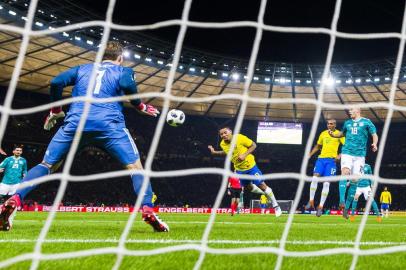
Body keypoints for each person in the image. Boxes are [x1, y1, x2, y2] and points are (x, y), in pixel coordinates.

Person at [0, 41, 168, 232]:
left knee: (47, 166)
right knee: (136, 169)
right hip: (109, 126)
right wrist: (140, 106)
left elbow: (56, 82)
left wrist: (56, 110)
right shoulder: (124, 71)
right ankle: (147, 208)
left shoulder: (82, 69)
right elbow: (126, 84)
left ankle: (15, 198)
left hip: (75, 124)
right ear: (120, 58)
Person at [208, 127, 282, 217]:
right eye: (221, 134)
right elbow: (226, 152)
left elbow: (253, 145)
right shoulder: (222, 144)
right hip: (239, 170)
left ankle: (276, 206)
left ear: (230, 132)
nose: (223, 135)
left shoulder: (239, 137)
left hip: (251, 166)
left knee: (262, 185)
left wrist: (244, 154)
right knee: (248, 188)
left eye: (225, 132)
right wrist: (214, 152)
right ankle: (265, 193)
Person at [328, 107, 378, 210]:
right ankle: (342, 200)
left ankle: (347, 207)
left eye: (352, 110)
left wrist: (375, 143)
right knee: (345, 172)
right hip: (347, 152)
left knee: (355, 180)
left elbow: (374, 134)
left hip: (360, 155)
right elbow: (342, 133)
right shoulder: (347, 123)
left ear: (358, 110)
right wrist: (334, 135)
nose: (350, 112)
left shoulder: (367, 122)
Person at [307, 119, 345, 217]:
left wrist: (339, 155)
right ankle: (311, 201)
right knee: (314, 178)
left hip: (331, 161)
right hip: (321, 159)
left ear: (335, 125)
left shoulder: (339, 134)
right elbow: (318, 145)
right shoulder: (323, 133)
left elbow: (346, 146)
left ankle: (320, 207)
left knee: (326, 184)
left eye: (331, 124)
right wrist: (310, 154)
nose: (329, 125)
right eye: (328, 124)